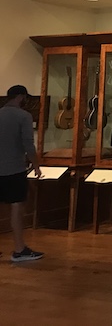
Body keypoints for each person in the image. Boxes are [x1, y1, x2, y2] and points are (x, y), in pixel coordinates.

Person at [0, 85, 43, 262]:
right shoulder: (23, 116)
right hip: (14, 169)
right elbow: (28, 143)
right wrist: (37, 164)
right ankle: (19, 249)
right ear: (20, 97)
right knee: (17, 208)